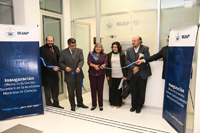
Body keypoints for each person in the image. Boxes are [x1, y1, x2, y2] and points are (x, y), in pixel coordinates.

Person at [59, 38, 88, 111]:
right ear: (68, 45)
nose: (74, 47)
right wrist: (65, 68)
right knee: (71, 92)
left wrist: (79, 67)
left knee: (79, 91)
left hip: (78, 75)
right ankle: (72, 105)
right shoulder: (63, 52)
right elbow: (60, 63)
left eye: (75, 45)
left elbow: (81, 60)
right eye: (72, 46)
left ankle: (80, 103)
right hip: (69, 76)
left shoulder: (79, 51)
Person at [125, 35, 151, 113]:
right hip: (132, 74)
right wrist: (133, 68)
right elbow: (126, 61)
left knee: (141, 91)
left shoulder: (145, 49)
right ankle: (133, 106)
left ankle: (139, 106)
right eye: (132, 40)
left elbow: (146, 60)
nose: (133, 42)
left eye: (135, 40)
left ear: (140, 41)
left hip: (142, 74)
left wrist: (138, 68)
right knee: (133, 91)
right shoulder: (129, 50)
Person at [40, 36, 64, 109]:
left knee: (56, 89)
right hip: (47, 73)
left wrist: (59, 69)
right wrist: (52, 68)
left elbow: (59, 59)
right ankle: (49, 104)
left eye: (51, 41)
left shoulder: (56, 48)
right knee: (47, 90)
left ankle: (56, 103)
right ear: (46, 41)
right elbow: (43, 61)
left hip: (56, 73)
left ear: (53, 41)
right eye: (49, 41)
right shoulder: (42, 49)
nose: (50, 42)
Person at [106, 41, 127, 109]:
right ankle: (112, 103)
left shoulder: (122, 54)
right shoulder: (109, 55)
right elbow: (108, 66)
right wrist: (107, 75)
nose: (114, 48)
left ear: (118, 47)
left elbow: (125, 65)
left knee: (119, 90)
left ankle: (118, 103)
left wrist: (125, 75)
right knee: (112, 90)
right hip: (112, 75)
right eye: (113, 47)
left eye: (116, 47)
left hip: (120, 75)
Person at [87, 43, 107, 111]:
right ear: (94, 48)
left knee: (100, 89)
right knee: (93, 89)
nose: (98, 48)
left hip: (101, 74)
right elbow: (89, 62)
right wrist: (94, 66)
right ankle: (94, 105)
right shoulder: (90, 54)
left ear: (101, 48)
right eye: (96, 47)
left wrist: (103, 65)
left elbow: (106, 62)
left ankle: (100, 105)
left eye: (99, 47)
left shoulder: (104, 55)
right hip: (92, 74)